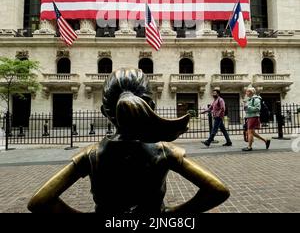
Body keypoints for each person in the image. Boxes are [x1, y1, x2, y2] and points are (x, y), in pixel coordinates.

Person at [27, 68, 230, 214]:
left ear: (105, 112)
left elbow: (39, 202)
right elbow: (217, 191)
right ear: (150, 104)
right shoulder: (165, 151)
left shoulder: (91, 155)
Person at [242, 87, 271, 152]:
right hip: (249, 117)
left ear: (251, 92)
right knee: (252, 132)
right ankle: (266, 141)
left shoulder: (256, 99)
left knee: (250, 132)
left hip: (254, 117)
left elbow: (258, 109)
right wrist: (246, 107)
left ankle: (249, 147)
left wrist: (248, 107)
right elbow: (248, 109)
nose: (246, 93)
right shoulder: (250, 99)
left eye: (247, 91)